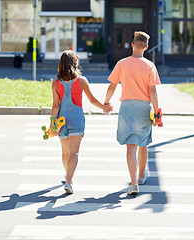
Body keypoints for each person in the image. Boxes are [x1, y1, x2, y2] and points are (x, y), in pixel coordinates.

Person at [104, 31, 161, 195]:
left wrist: (106, 102)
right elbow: (153, 91)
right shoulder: (150, 66)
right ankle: (142, 175)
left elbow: (112, 86)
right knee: (143, 143)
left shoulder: (122, 63)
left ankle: (134, 183)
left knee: (131, 146)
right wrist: (157, 111)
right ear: (147, 47)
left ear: (132, 44)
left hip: (127, 107)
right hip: (144, 108)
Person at [51, 50, 112, 194]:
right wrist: (104, 107)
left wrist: (52, 125)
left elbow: (55, 105)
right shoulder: (82, 80)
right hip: (77, 119)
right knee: (74, 153)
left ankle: (68, 175)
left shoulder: (55, 82)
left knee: (65, 153)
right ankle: (68, 181)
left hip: (61, 120)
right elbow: (91, 100)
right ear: (75, 63)